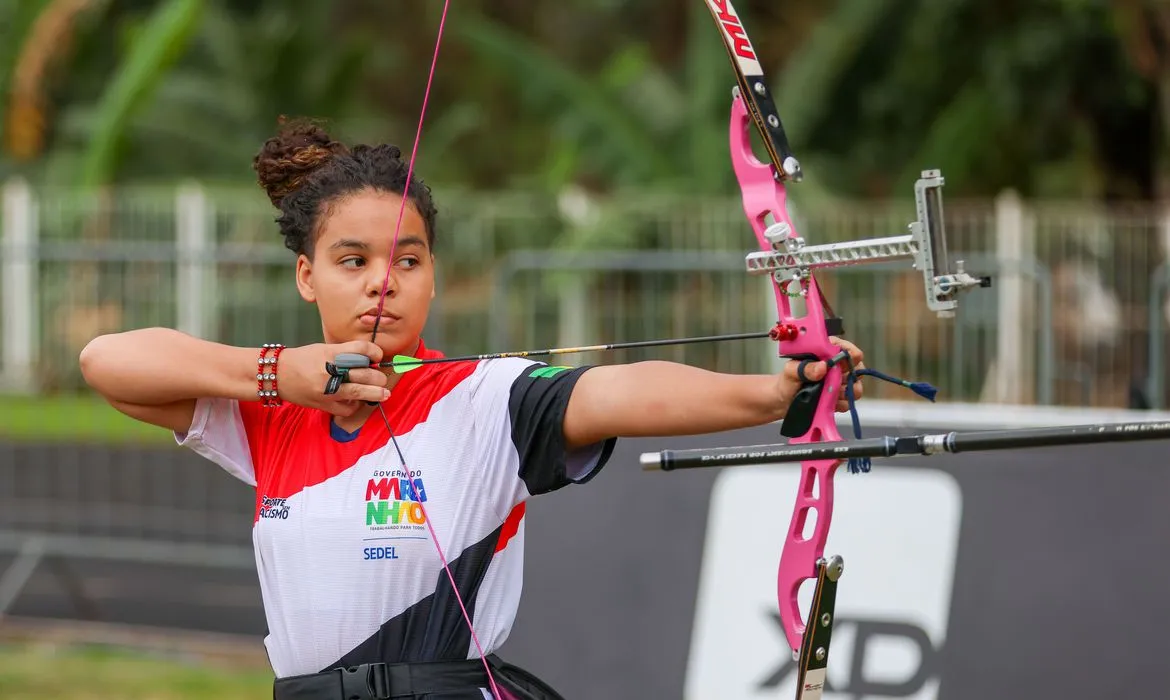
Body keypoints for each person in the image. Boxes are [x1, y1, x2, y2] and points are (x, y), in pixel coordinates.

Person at [79, 119, 867, 700]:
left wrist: (772, 392)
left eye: (408, 260)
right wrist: (277, 373)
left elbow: (619, 391)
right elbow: (106, 362)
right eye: (352, 261)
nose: (383, 282)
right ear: (305, 276)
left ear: (432, 276)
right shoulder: (269, 410)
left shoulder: (487, 395)